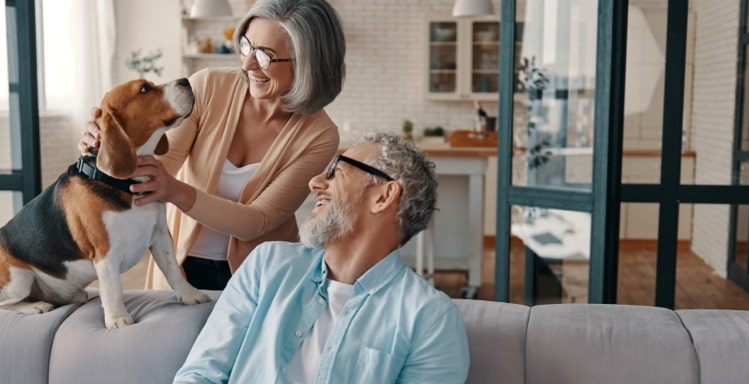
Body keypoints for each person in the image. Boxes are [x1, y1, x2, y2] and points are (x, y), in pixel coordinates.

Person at [79, 0, 346, 290]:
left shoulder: (320, 136)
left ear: (308, 64)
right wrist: (106, 143)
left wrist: (175, 190)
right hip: (178, 264)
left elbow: (258, 221)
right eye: (246, 46)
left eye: (266, 56)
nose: (247, 64)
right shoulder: (208, 86)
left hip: (260, 277)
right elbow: (155, 167)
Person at [172, 132, 470, 384]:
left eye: (336, 172)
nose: (315, 182)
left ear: (383, 196)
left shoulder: (430, 319)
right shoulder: (267, 265)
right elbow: (201, 374)